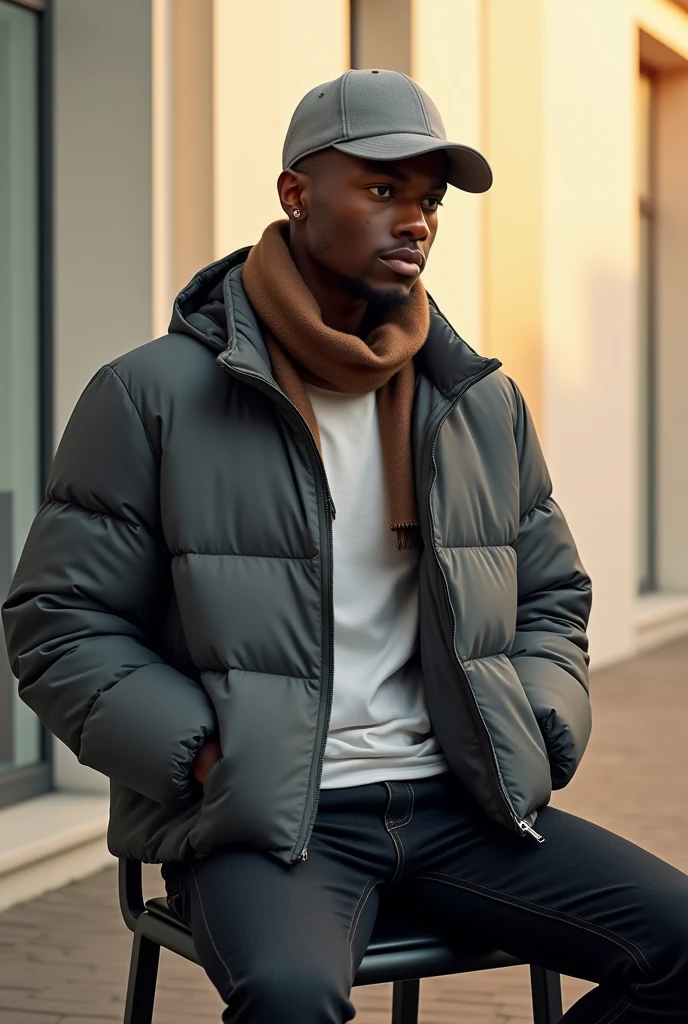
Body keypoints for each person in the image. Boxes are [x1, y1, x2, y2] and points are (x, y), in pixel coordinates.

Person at [2, 69, 687, 1023]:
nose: (415, 221)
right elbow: (60, 624)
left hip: (461, 805)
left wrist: (536, 723)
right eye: (381, 190)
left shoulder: (476, 402)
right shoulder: (152, 394)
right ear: (295, 194)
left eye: (429, 201)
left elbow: (551, 593)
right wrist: (204, 755)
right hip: (268, 819)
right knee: (288, 998)